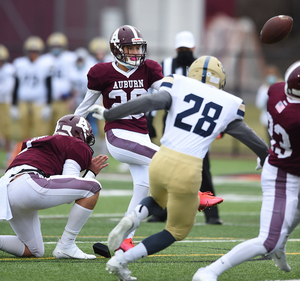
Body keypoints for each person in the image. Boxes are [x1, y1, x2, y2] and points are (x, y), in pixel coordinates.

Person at [88, 55, 269, 280]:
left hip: (161, 158)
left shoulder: (178, 83)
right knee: (176, 230)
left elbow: (148, 102)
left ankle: (133, 217)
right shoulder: (229, 102)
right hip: (188, 169)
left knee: (156, 199)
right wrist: (264, 156)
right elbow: (249, 137)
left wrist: (109, 114)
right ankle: (121, 260)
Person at [192, 60, 300, 280]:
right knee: (267, 241)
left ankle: (281, 243)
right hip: (284, 176)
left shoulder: (276, 91)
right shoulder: (294, 119)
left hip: (283, 159)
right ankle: (210, 271)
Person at [74, 25, 164, 252]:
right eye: (130, 48)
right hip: (118, 135)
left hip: (142, 136)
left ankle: (123, 240)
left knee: (143, 187)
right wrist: (66, 131)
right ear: (116, 49)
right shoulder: (101, 72)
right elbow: (84, 107)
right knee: (167, 160)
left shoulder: (149, 69)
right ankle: (198, 196)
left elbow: (168, 93)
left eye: (137, 47)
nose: (135, 52)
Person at [0, 114, 108, 259]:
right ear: (77, 133)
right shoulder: (75, 143)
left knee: (34, 250)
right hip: (29, 184)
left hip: (6, 190)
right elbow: (72, 189)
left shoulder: (39, 141)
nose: (86, 142)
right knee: (93, 187)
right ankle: (66, 245)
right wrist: (91, 173)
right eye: (86, 137)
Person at [147, 31, 222, 225]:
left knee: (202, 168)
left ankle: (212, 213)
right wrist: (151, 119)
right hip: (173, 123)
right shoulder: (166, 66)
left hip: (197, 124)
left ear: (193, 49)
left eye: (186, 49)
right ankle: (162, 211)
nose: (185, 52)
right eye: (183, 49)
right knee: (168, 168)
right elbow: (158, 91)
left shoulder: (204, 67)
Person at [11, 36, 52, 141]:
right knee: (24, 131)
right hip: (23, 101)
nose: (33, 54)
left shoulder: (45, 64)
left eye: (35, 51)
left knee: (40, 132)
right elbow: (16, 85)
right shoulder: (20, 64)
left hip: (39, 102)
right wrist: (14, 105)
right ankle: (24, 153)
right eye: (31, 51)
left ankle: (40, 154)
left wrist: (48, 105)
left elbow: (49, 85)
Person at [42, 32, 76, 135]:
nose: (56, 48)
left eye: (58, 46)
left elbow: (74, 79)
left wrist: (71, 97)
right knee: (47, 130)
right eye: (54, 46)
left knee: (62, 129)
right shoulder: (45, 60)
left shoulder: (70, 58)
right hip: (48, 100)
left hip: (64, 100)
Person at [255, 64, 282, 143]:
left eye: (273, 74)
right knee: (271, 140)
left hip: (280, 119)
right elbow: (259, 104)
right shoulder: (263, 89)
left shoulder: (281, 87)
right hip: (267, 119)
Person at [0, 44, 15, 166]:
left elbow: (8, 88)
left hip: (5, 102)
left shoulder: (8, 69)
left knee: (7, 129)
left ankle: (7, 155)